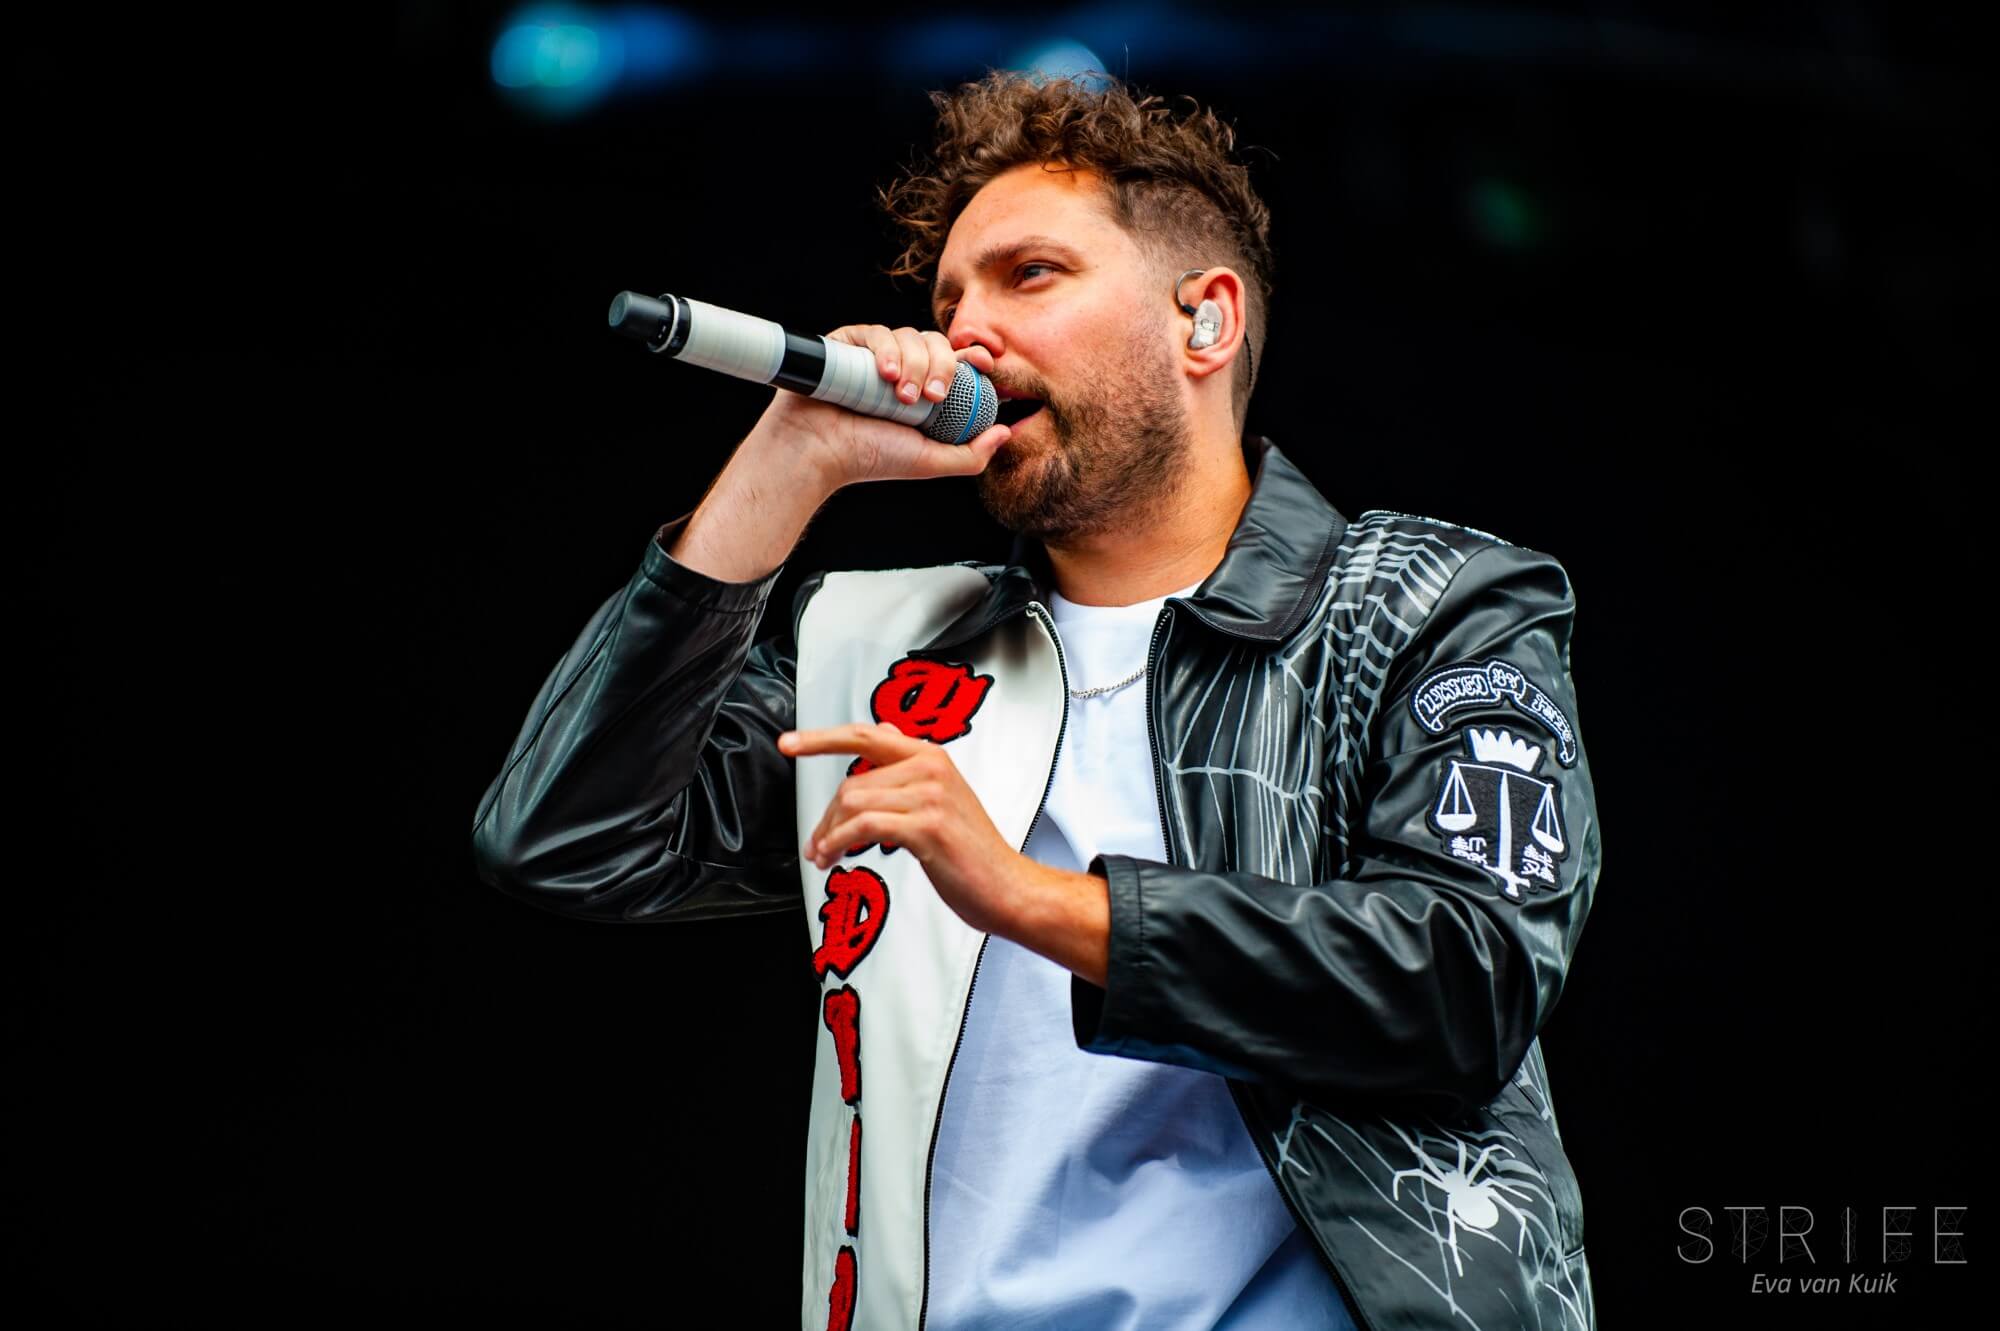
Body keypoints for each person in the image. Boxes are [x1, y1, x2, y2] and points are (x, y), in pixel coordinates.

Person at [471, 69, 1600, 1331]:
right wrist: (787, 463)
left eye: (1029, 276)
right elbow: (565, 840)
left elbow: (1463, 979)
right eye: (948, 301)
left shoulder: (1427, 601)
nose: (966, 334)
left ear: (1204, 320)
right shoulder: (880, 644)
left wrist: (1028, 895)